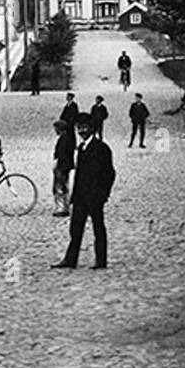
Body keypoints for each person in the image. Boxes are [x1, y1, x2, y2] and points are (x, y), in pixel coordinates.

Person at [52, 113, 116, 270]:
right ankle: (70, 259)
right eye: (79, 128)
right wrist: (74, 196)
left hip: (95, 197)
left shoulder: (102, 148)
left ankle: (101, 261)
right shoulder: (80, 148)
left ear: (92, 128)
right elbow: (80, 175)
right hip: (81, 197)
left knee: (98, 229)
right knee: (75, 229)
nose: (82, 131)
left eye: (85, 128)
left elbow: (109, 174)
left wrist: (103, 195)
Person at [51, 118, 75, 218]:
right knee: (63, 186)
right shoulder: (67, 138)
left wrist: (57, 165)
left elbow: (62, 154)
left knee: (60, 187)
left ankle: (62, 208)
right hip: (65, 166)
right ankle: (64, 206)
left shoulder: (64, 139)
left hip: (62, 166)